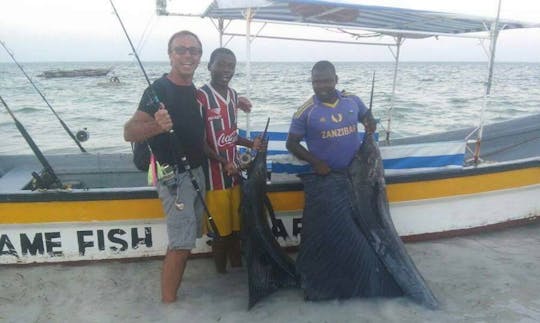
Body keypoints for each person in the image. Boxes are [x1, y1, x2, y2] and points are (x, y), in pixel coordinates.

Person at [286, 60, 386, 301]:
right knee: (326, 232)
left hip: (357, 176)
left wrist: (370, 122)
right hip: (327, 178)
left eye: (326, 80)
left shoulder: (352, 100)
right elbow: (291, 143)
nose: (321, 85)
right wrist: (316, 162)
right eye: (316, 81)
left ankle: (360, 272)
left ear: (336, 79)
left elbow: (366, 116)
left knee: (361, 228)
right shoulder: (305, 110)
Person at [123, 30, 205, 303]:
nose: (187, 55)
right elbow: (129, 132)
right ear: (170, 55)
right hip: (174, 178)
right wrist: (157, 126)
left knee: (190, 236)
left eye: (193, 50)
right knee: (181, 244)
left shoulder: (194, 91)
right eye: (180, 49)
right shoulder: (157, 90)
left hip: (196, 172)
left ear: (199, 56)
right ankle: (169, 306)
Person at [197, 47, 262, 274]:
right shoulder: (200, 96)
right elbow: (199, 142)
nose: (226, 70)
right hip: (214, 181)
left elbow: (231, 135)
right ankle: (220, 275)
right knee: (220, 232)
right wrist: (222, 161)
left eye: (231, 66)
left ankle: (236, 269)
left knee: (236, 230)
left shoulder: (234, 96)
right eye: (221, 64)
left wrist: (250, 144)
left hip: (235, 177)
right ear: (210, 66)